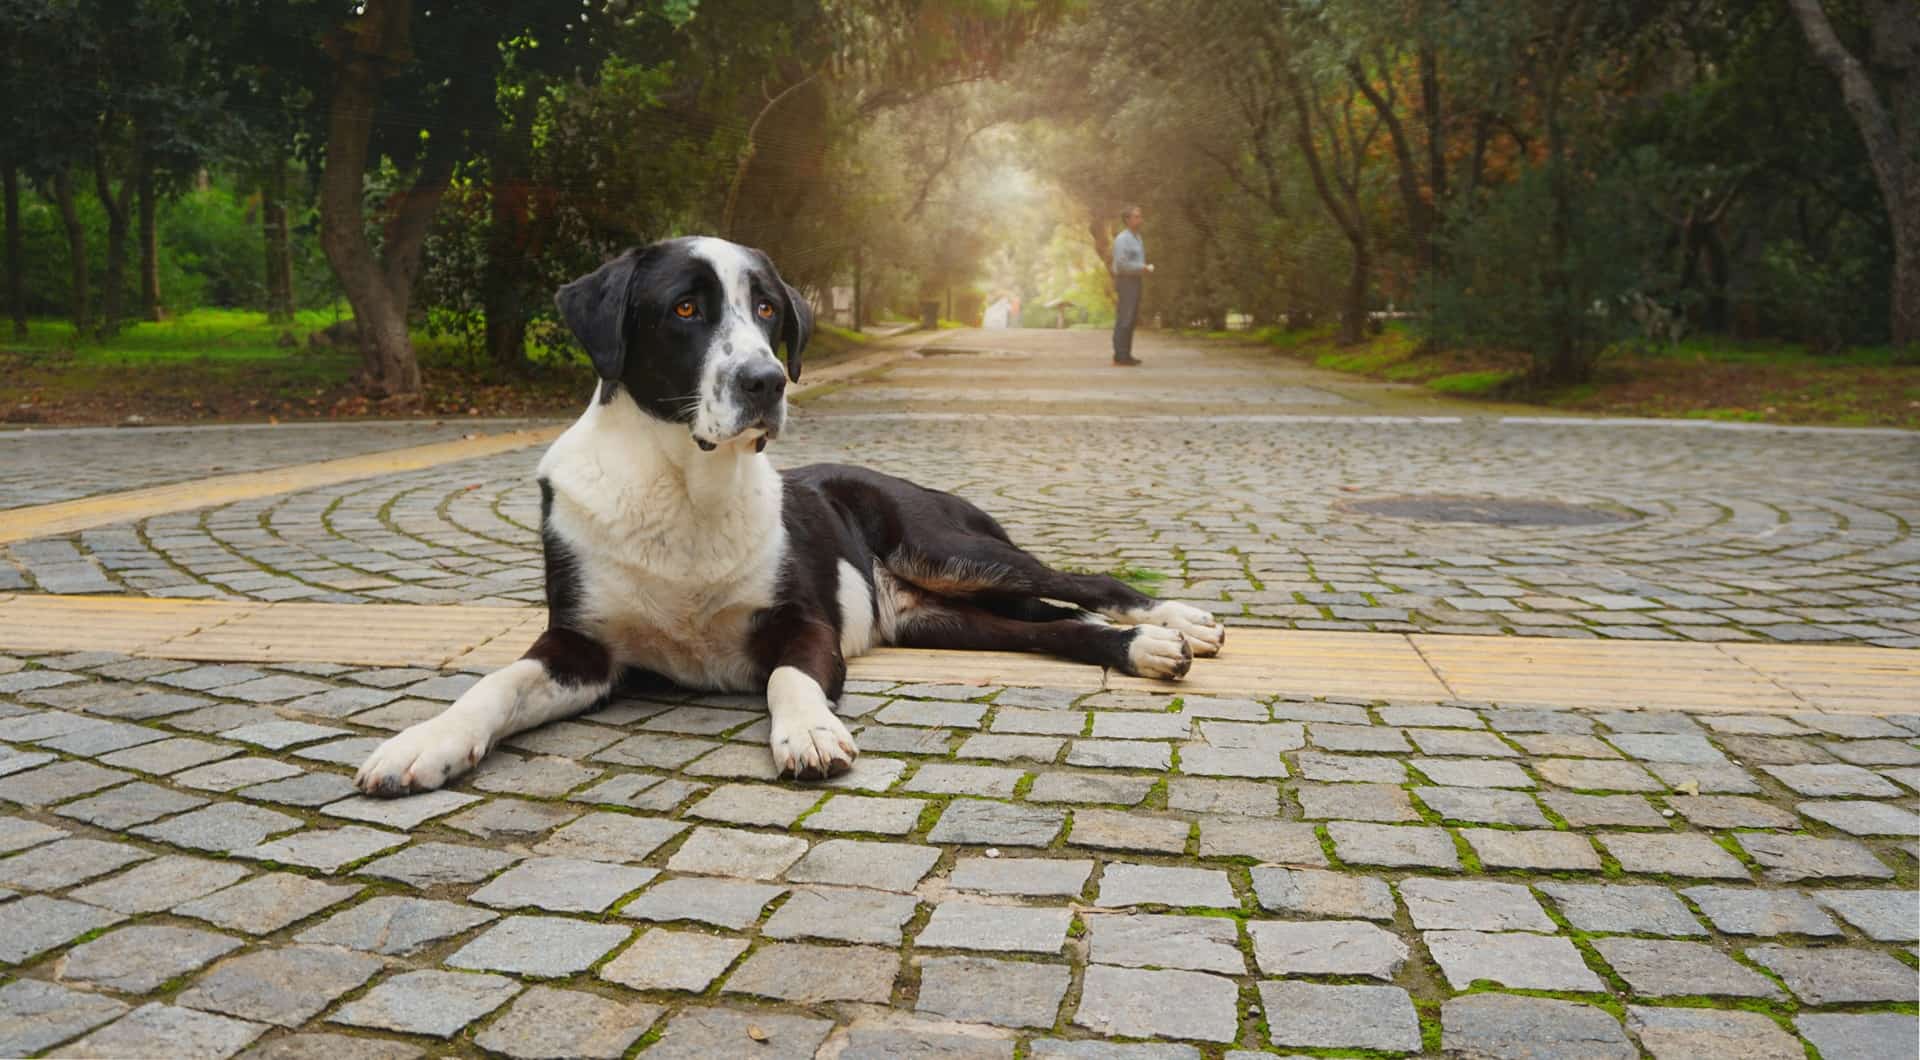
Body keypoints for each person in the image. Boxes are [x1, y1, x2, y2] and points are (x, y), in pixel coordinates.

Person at [1109, 205, 1152, 366]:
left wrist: (1142, 269)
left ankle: (1126, 353)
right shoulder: (1122, 239)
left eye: (1140, 216)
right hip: (1125, 281)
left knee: (1131, 317)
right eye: (1136, 216)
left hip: (1135, 280)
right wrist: (1141, 268)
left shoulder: (1137, 237)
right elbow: (1121, 265)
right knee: (1125, 318)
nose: (1140, 219)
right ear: (1127, 219)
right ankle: (1119, 356)